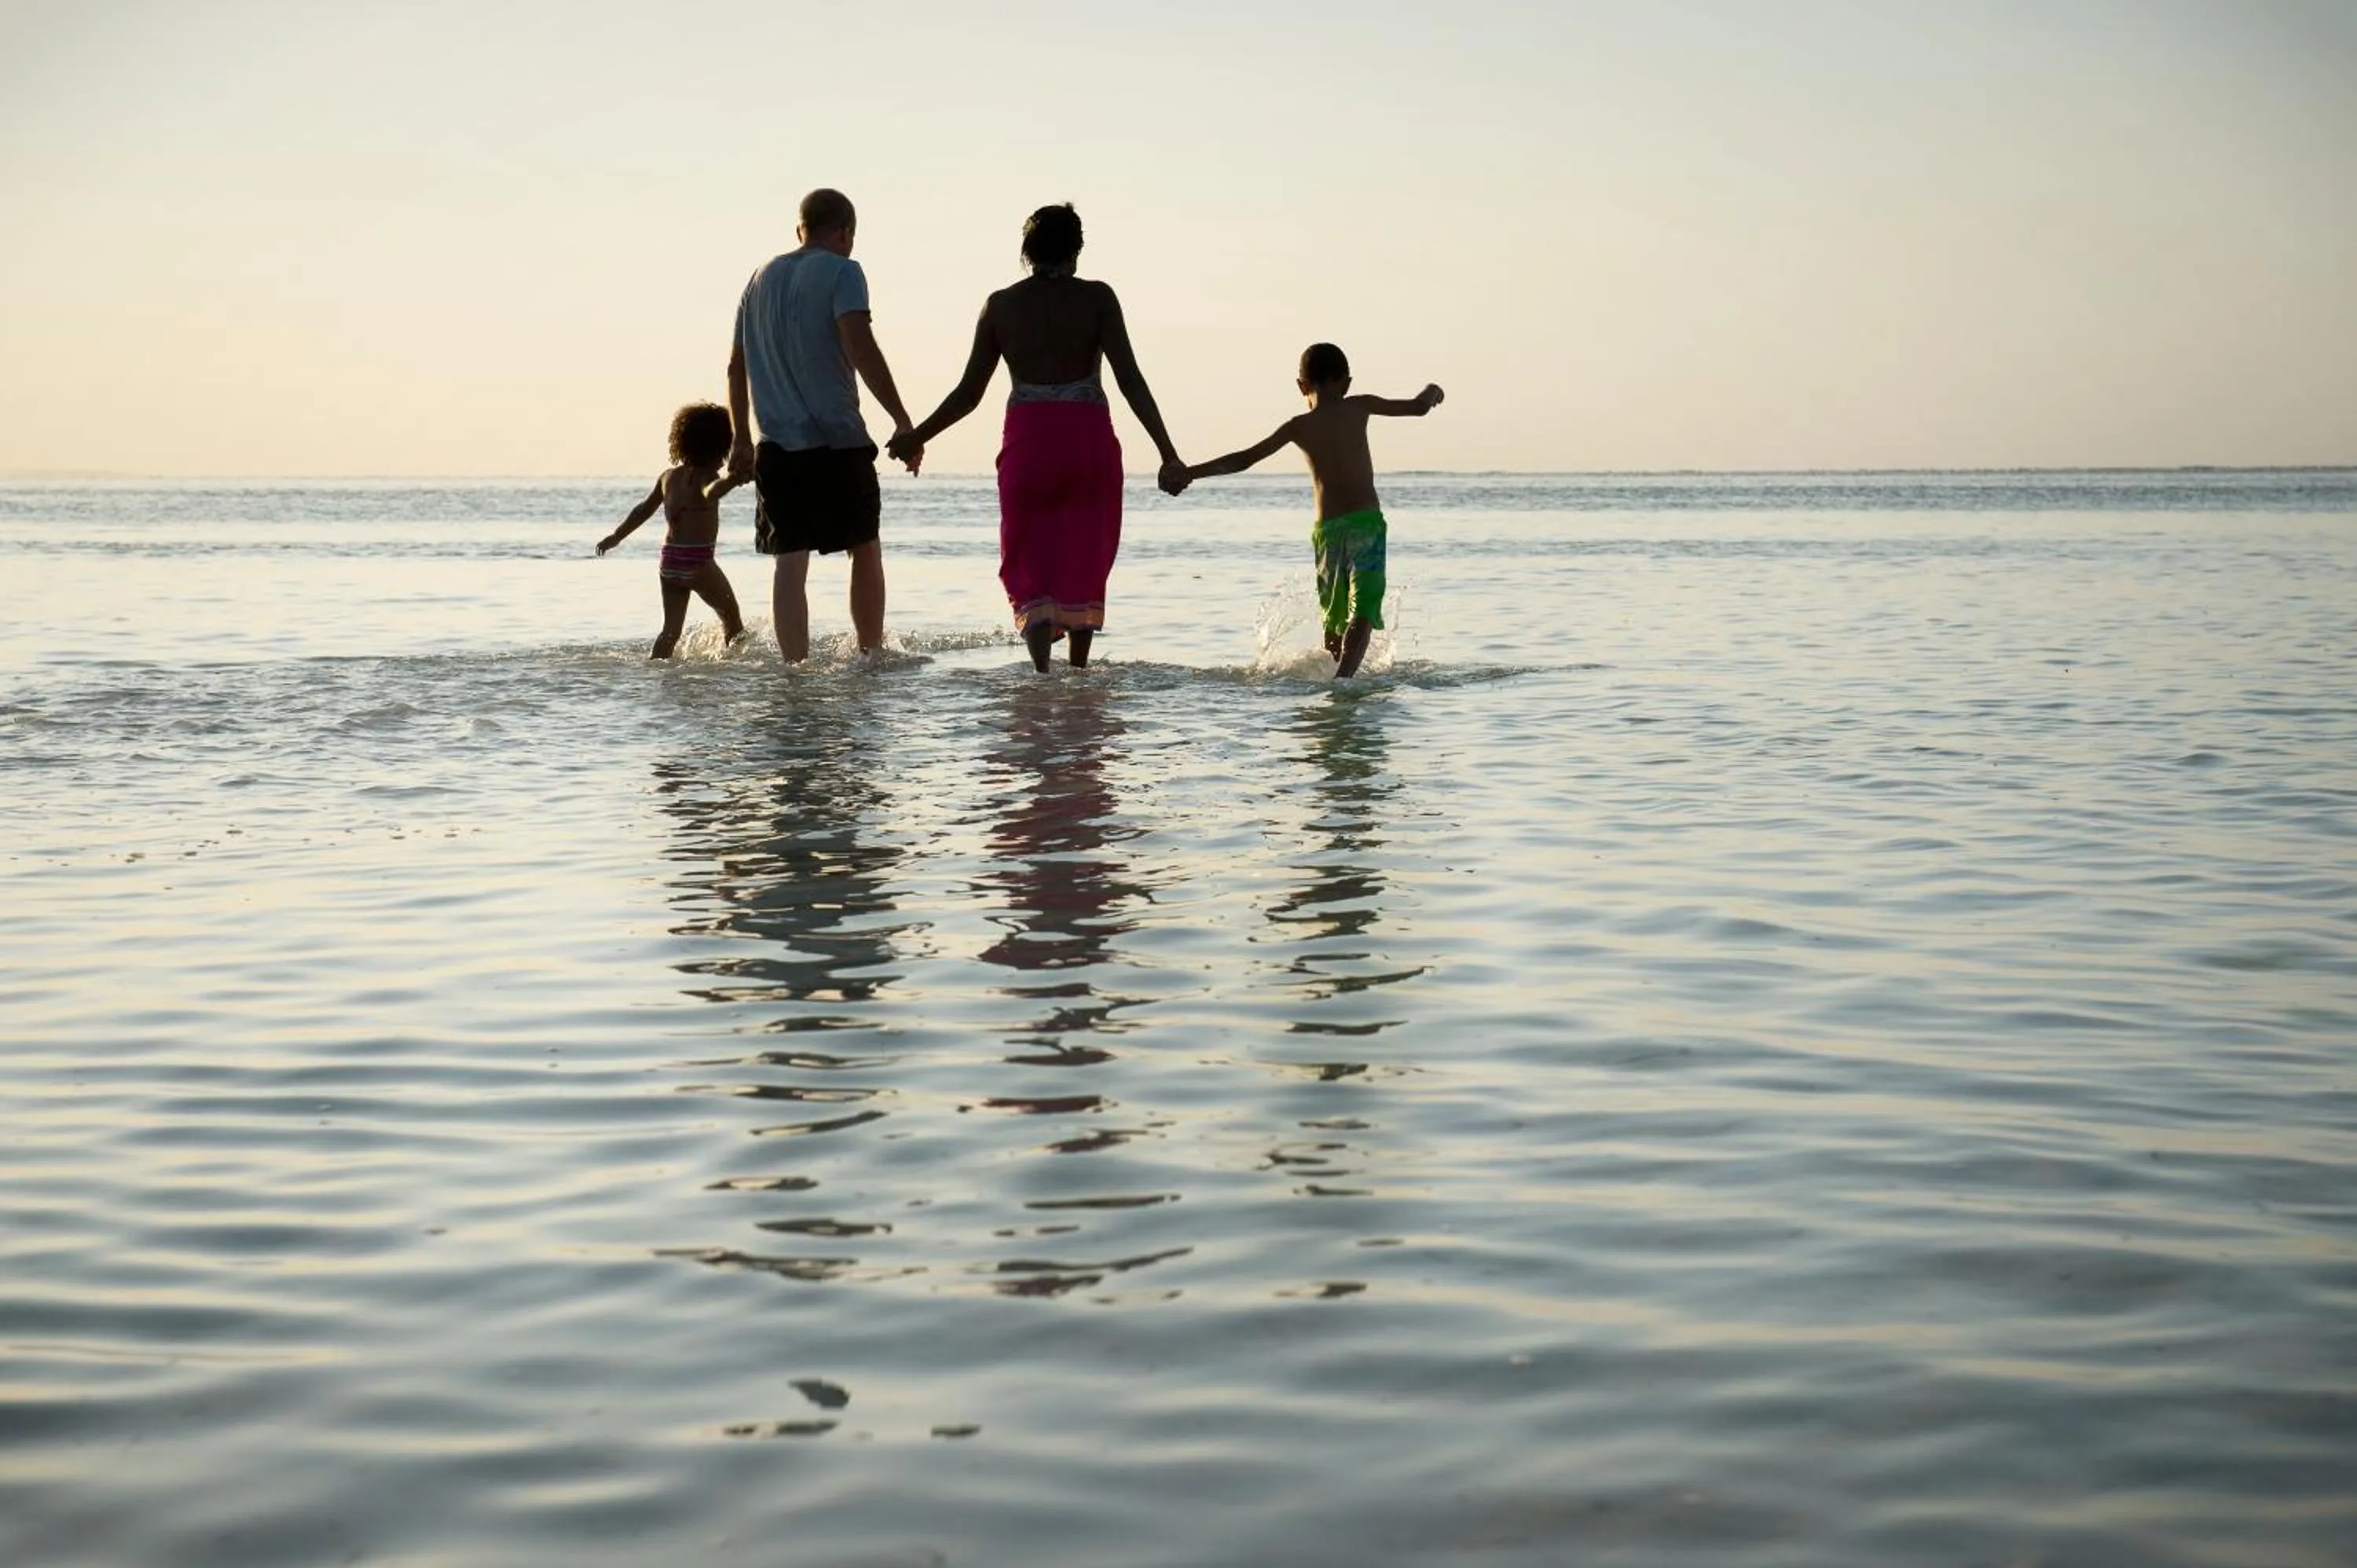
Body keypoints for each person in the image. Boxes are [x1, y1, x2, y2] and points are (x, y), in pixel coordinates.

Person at [889, 203, 1185, 672]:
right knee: (1085, 551)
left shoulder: (1001, 305)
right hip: (1087, 440)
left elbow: (968, 393)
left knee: (1031, 558)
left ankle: (1042, 674)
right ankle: (1080, 672)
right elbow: (1131, 379)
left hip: (1030, 442)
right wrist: (1168, 454)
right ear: (1078, 247)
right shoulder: (1099, 299)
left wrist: (916, 436)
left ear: (1026, 251)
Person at [1168, 344, 1442, 677]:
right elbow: (1418, 408)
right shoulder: (1360, 405)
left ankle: (1335, 677)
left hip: (1327, 533)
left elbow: (1244, 459)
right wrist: (1433, 391)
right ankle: (1345, 681)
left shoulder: (1298, 426)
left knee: (1334, 617)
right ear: (1347, 383)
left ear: (1301, 386)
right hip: (1366, 525)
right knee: (1364, 609)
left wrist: (1190, 472)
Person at [727, 188, 919, 662]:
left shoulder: (758, 278)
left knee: (790, 558)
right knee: (864, 546)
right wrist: (901, 418)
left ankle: (795, 667)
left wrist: (741, 439)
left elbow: (736, 366)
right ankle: (870, 655)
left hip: (777, 445)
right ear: (845, 232)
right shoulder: (844, 271)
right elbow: (860, 345)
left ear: (800, 230)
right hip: (838, 441)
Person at [597, 401, 750, 658]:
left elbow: (643, 510)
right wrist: (733, 480)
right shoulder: (707, 478)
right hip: (698, 562)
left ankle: (656, 667)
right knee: (732, 618)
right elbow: (711, 493)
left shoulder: (668, 477)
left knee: (670, 631)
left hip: (670, 561)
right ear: (720, 447)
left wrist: (616, 537)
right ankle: (734, 669)